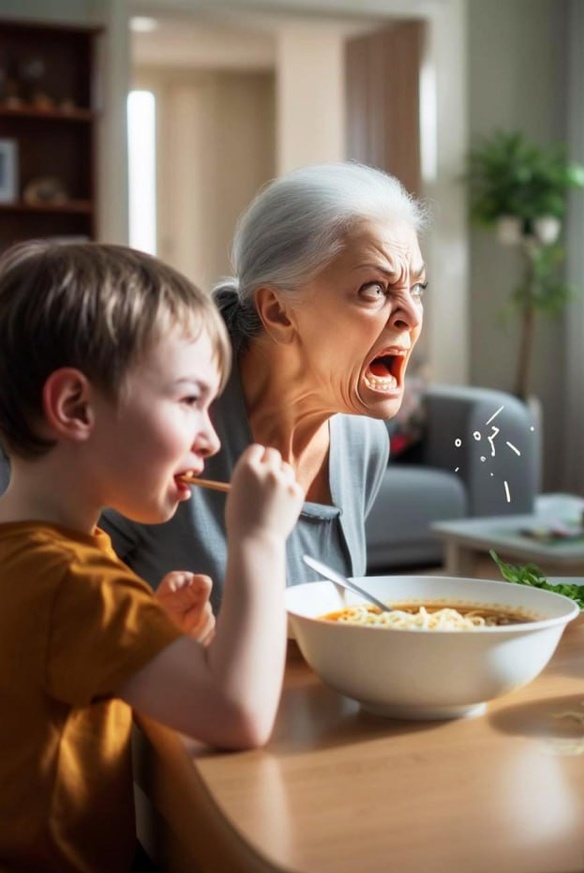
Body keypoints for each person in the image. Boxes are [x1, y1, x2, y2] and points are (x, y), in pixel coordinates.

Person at [0, 241, 305, 873]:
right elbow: (237, 716)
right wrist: (257, 540)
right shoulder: (73, 581)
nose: (213, 439)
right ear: (76, 407)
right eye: (190, 399)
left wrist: (153, 635)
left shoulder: (40, 553)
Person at [102, 161, 428, 611]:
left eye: (418, 287)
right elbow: (46, 603)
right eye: (374, 289)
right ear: (277, 310)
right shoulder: (160, 428)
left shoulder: (363, 437)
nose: (411, 315)